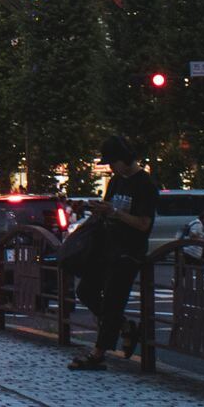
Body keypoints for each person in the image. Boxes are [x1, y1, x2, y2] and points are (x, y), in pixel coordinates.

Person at [70, 134, 158, 371]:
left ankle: (98, 354)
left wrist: (115, 213)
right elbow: (108, 209)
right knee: (85, 290)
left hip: (129, 251)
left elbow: (144, 224)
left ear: (125, 158)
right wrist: (94, 208)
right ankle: (125, 327)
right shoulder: (116, 181)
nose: (110, 167)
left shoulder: (145, 185)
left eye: (112, 162)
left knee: (112, 302)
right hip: (107, 247)